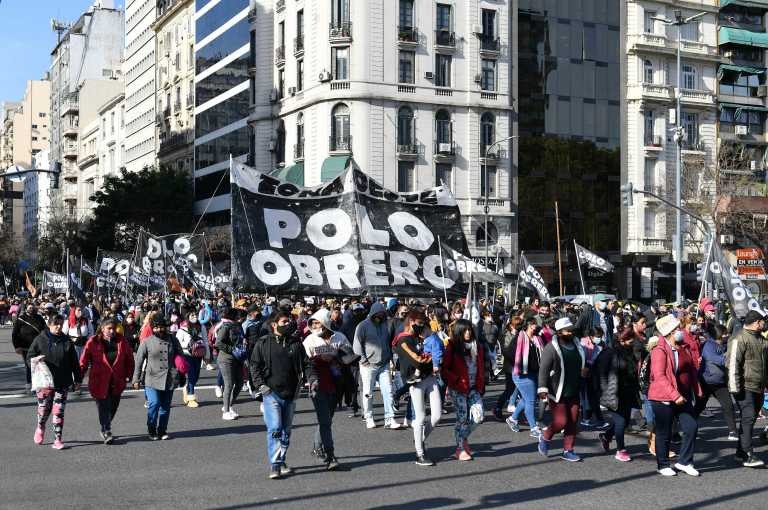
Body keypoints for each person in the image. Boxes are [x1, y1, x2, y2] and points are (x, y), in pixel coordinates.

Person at [250, 312, 307, 479]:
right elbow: (254, 365)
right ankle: (275, 465)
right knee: (275, 428)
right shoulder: (263, 343)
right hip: (271, 393)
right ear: (274, 324)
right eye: (284, 321)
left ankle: (281, 460)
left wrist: (311, 378)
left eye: (289, 321)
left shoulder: (295, 342)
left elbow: (306, 363)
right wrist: (261, 385)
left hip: (291, 394)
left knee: (286, 431)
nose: (288, 323)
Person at [648, 314, 702, 477]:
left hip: (683, 395)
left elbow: (691, 369)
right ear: (670, 332)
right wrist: (674, 394)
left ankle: (684, 461)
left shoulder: (683, 346)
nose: (681, 330)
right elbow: (659, 376)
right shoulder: (659, 350)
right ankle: (663, 464)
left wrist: (696, 388)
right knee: (664, 432)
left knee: (691, 427)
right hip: (663, 397)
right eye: (677, 329)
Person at [303, 308, 352, 470]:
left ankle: (317, 446)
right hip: (317, 384)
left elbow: (350, 357)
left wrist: (336, 356)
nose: (316, 326)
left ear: (326, 322)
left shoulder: (340, 337)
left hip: (336, 384)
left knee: (327, 419)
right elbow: (303, 363)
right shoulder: (309, 340)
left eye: (318, 322)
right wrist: (318, 359)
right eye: (313, 323)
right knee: (325, 420)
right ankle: (329, 454)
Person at [27, 314, 82, 449]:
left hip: (62, 382)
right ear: (49, 324)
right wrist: (35, 361)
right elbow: (29, 357)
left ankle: (57, 439)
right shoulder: (40, 339)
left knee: (58, 411)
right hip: (44, 382)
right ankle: (40, 427)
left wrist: (78, 379)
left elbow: (74, 362)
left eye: (60, 324)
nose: (58, 326)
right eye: (55, 324)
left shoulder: (66, 341)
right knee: (44, 409)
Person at [394, 310, 441, 466]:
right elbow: (419, 360)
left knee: (437, 415)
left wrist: (431, 357)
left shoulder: (418, 337)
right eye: (419, 324)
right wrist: (431, 358)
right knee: (419, 417)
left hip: (430, 378)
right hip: (416, 381)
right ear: (411, 321)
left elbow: (435, 350)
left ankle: (419, 440)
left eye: (423, 324)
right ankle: (420, 453)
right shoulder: (403, 340)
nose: (422, 327)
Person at [537, 317, 586, 462]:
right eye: (567, 331)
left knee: (572, 421)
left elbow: (582, 362)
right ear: (559, 333)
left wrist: (584, 371)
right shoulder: (551, 348)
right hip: (556, 390)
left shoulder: (577, 345)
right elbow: (543, 370)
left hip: (574, 389)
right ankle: (546, 436)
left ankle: (568, 450)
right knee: (561, 421)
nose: (570, 333)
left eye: (571, 330)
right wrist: (542, 388)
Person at [79, 318, 135, 444]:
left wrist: (130, 375)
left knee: (113, 407)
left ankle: (106, 424)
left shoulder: (122, 341)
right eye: (109, 328)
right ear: (102, 328)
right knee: (103, 406)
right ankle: (106, 430)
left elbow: (129, 359)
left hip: (117, 379)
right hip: (99, 380)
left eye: (113, 328)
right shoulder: (93, 341)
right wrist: (79, 377)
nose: (112, 331)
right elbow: (83, 360)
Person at [726, 310, 768, 468]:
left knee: (747, 420)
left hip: (758, 386)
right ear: (757, 322)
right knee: (749, 418)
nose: (765, 323)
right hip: (744, 387)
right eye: (763, 321)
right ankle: (748, 454)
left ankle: (740, 453)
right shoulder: (739, 338)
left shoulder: (761, 339)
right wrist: (735, 387)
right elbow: (732, 364)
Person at [132, 315, 182, 441]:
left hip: (170, 378)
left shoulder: (174, 340)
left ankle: (162, 430)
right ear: (153, 328)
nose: (160, 330)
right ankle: (151, 428)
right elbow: (138, 361)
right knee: (154, 403)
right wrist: (136, 379)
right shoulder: (147, 342)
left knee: (165, 407)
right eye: (157, 327)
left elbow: (181, 359)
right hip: (151, 378)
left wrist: (182, 374)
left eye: (163, 327)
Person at [442, 319, 485, 461]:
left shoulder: (476, 346)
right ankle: (460, 448)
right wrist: (455, 381)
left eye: (470, 330)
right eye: (465, 330)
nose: (468, 333)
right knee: (462, 418)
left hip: (473, 387)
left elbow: (480, 366)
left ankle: (463, 437)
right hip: (458, 388)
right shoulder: (452, 347)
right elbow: (445, 369)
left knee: (478, 417)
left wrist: (482, 383)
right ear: (459, 331)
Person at [597, 328, 641, 462]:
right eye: (629, 340)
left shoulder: (630, 352)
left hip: (627, 392)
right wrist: (604, 392)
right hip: (612, 393)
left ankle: (606, 436)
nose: (632, 342)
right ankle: (620, 450)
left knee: (625, 421)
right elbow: (601, 374)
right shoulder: (609, 353)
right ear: (621, 340)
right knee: (621, 422)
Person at [353, 302, 397, 429]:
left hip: (384, 364)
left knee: (388, 391)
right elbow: (357, 343)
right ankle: (369, 417)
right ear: (372, 312)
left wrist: (390, 357)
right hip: (368, 365)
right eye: (378, 313)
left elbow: (388, 342)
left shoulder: (385, 324)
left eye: (382, 314)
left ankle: (390, 418)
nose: (380, 316)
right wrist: (363, 359)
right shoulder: (363, 325)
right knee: (368, 392)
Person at [693, 323, 737, 442]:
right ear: (719, 335)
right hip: (706, 381)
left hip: (720, 382)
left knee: (728, 405)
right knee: (699, 406)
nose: (727, 335)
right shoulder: (708, 345)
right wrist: (730, 357)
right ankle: (691, 430)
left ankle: (733, 431)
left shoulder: (724, 344)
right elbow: (718, 360)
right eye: (725, 334)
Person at [507, 317, 544, 438]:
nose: (536, 326)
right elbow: (507, 353)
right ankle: (533, 427)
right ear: (529, 325)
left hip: (533, 373)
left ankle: (513, 419)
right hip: (521, 374)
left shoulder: (537, 338)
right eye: (534, 324)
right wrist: (518, 364)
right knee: (531, 400)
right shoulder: (519, 337)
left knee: (526, 398)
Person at [216, 307, 247, 420]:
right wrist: (231, 349)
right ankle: (226, 411)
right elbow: (218, 342)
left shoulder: (237, 326)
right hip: (226, 359)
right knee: (229, 384)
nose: (241, 319)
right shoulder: (226, 326)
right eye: (238, 316)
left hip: (237, 359)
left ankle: (229, 405)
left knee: (239, 383)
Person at [177, 311, 209, 409]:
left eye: (195, 315)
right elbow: (177, 343)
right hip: (187, 355)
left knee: (196, 376)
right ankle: (191, 398)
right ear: (187, 317)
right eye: (192, 315)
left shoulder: (201, 327)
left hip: (198, 354)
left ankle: (187, 389)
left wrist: (207, 355)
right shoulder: (182, 329)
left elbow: (205, 341)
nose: (194, 316)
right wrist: (188, 345)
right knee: (191, 376)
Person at [12, 303, 47, 393]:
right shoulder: (21, 319)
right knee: (29, 366)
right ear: (26, 309)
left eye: (32, 307)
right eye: (29, 307)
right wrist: (17, 346)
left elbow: (45, 330)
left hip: (39, 347)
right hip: (25, 347)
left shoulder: (39, 318)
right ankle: (29, 384)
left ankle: (39, 384)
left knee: (39, 365)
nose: (31, 309)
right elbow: (15, 334)